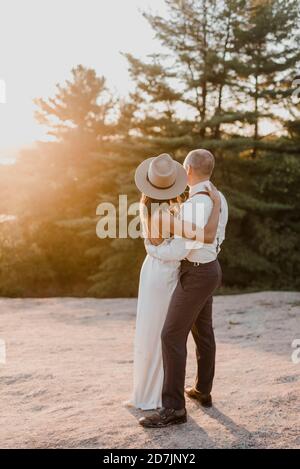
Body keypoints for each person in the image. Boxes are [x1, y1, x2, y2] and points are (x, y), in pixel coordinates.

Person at [138, 149, 228, 428]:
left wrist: (153, 247)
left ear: (187, 170)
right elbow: (216, 235)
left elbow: (184, 246)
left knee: (171, 336)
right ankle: (202, 390)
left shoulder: (194, 205)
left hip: (197, 274)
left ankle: (174, 409)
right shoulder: (218, 196)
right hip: (210, 268)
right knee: (203, 332)